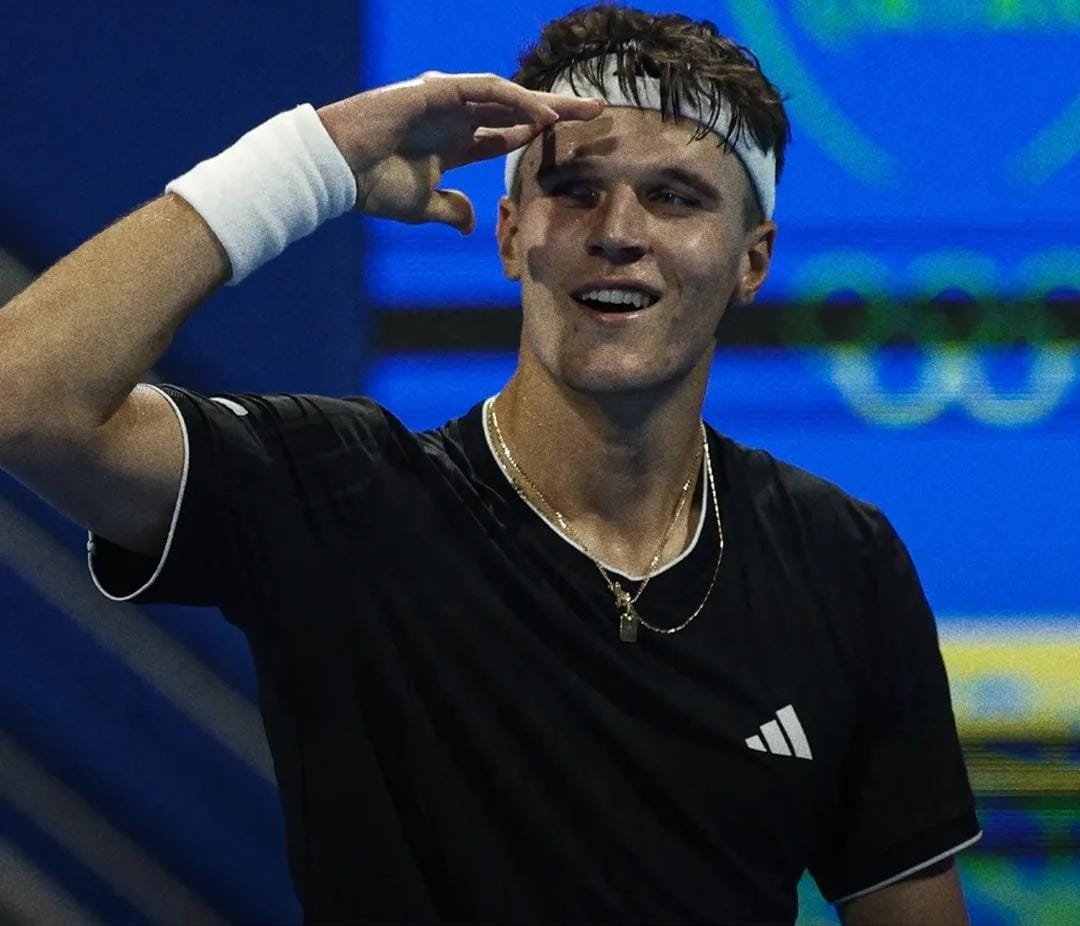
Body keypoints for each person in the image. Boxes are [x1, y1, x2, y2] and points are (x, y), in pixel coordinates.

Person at [0, 4, 982, 923]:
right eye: (574, 189)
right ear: (511, 234)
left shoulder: (841, 559)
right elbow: (21, 397)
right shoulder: (340, 494)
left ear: (751, 260)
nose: (618, 233)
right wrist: (312, 158)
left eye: (674, 197)